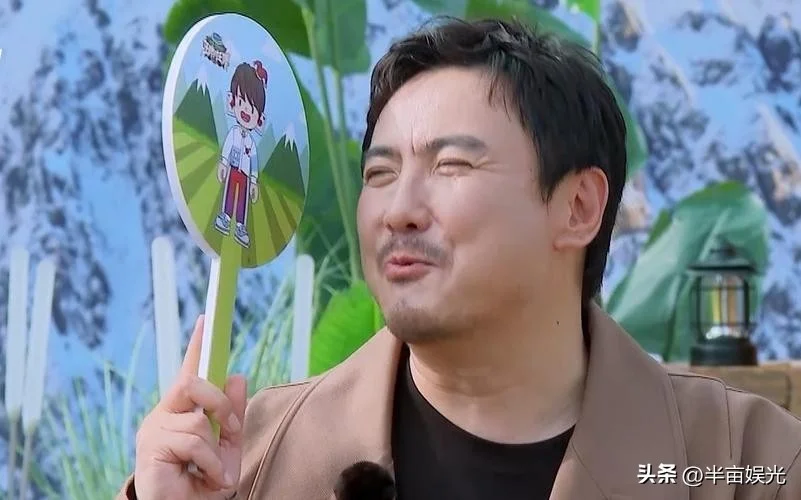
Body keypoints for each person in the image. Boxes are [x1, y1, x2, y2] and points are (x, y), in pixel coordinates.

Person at [119, 17, 801, 500]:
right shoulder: (249, 465)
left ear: (577, 208)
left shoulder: (747, 464)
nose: (398, 210)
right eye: (379, 174)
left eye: (450, 165)